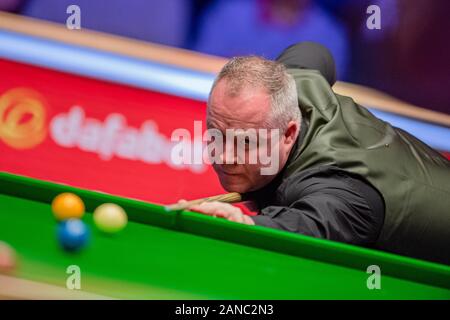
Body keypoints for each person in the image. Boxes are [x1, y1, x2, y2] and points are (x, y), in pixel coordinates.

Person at [185, 42, 450, 265]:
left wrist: (246, 225)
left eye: (245, 142)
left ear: (289, 134)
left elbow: (308, 226)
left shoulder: (340, 189)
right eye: (215, 133)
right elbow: (313, 51)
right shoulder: (289, 84)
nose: (224, 156)